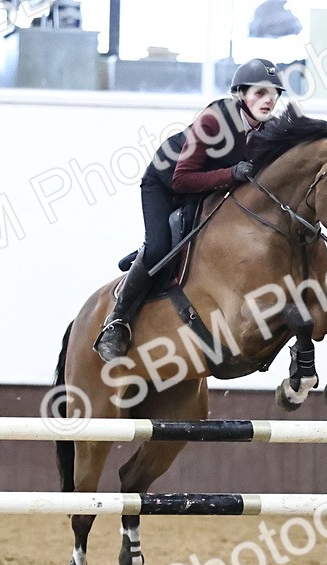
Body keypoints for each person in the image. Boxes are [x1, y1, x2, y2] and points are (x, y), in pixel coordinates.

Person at [93, 58, 286, 362]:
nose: (269, 100)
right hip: (166, 185)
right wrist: (231, 174)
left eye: (274, 94)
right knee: (159, 249)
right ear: (241, 94)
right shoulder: (214, 121)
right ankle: (116, 322)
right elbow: (181, 179)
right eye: (260, 93)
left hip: (207, 190)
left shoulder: (269, 129)